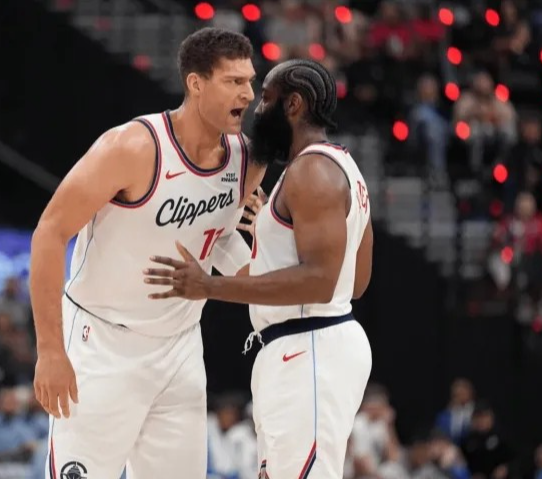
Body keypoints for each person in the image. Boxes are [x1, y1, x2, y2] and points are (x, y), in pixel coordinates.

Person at [30, 28, 265, 479]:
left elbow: (218, 239)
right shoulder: (132, 147)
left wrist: (263, 274)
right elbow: (49, 233)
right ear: (196, 84)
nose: (248, 94)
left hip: (180, 349)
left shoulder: (245, 159)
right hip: (102, 343)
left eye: (249, 81)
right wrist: (50, 351)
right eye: (234, 81)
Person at [144, 59, 374, 478]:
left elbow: (321, 282)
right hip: (310, 345)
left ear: (294, 104)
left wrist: (208, 286)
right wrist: (273, 234)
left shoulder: (312, 171)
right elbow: (354, 282)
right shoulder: (341, 169)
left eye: (267, 98)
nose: (257, 109)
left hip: (309, 349)